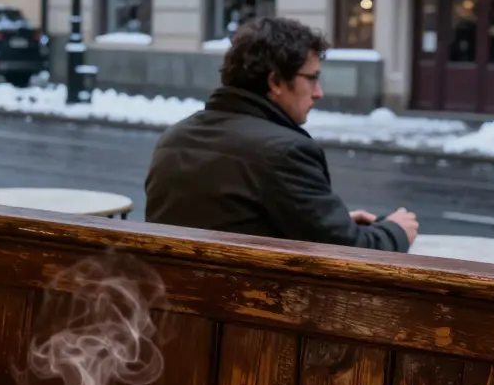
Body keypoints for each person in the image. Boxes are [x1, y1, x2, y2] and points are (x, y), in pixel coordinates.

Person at [145, 17, 418, 252]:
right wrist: (396, 231)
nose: (319, 92)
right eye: (312, 78)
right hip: (249, 307)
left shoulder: (173, 139)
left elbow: (231, 220)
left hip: (174, 305)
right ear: (276, 82)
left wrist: (332, 220)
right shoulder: (284, 153)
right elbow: (348, 252)